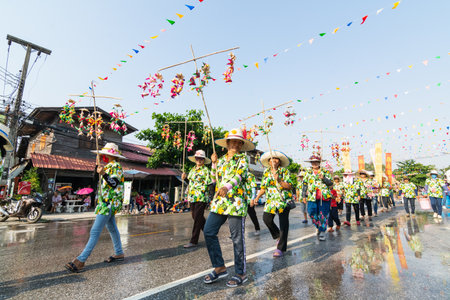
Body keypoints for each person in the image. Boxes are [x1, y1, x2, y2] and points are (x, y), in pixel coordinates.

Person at [203, 128, 254, 288]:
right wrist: (213, 163)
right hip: (220, 202)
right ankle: (219, 267)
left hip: (236, 202)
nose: (236, 145)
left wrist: (226, 187)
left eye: (239, 142)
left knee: (237, 238)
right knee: (208, 231)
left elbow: (239, 176)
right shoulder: (221, 159)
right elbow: (213, 179)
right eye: (233, 141)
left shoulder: (243, 159)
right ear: (227, 143)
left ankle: (240, 272)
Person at [65, 143, 125, 273]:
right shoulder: (108, 166)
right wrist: (98, 168)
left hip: (108, 203)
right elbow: (96, 181)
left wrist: (103, 173)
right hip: (105, 202)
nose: (103, 156)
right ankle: (119, 252)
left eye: (104, 154)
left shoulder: (116, 167)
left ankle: (81, 260)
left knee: (94, 231)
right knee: (112, 228)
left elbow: (114, 184)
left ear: (109, 155)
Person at [253, 150, 293, 257]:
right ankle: (278, 236)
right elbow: (263, 187)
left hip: (283, 201)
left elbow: (289, 186)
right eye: (271, 159)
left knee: (283, 224)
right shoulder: (266, 172)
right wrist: (257, 197)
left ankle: (281, 248)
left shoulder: (284, 171)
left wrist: (279, 180)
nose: (273, 160)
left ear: (279, 161)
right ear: (268, 161)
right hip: (270, 201)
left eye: (276, 158)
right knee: (267, 219)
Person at [182, 150, 212, 249]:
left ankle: (193, 241)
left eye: (201, 158)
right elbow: (190, 183)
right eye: (197, 158)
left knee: (197, 218)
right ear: (195, 159)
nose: (199, 160)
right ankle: (210, 234)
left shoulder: (206, 170)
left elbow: (210, 184)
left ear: (204, 160)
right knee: (197, 217)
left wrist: (211, 198)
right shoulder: (192, 169)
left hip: (202, 197)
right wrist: (185, 178)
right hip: (192, 197)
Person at [302, 154, 333, 241]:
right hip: (312, 196)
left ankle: (323, 231)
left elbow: (331, 184)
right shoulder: (307, 172)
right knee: (311, 212)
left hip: (324, 196)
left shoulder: (325, 171)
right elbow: (304, 184)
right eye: (313, 162)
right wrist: (303, 195)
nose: (314, 163)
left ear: (319, 162)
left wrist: (324, 178)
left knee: (323, 214)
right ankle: (318, 226)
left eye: (316, 162)